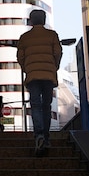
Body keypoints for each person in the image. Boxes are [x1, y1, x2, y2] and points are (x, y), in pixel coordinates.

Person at [17, 8, 62, 155]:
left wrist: (27, 69)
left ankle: (39, 135)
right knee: (46, 106)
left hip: (33, 76)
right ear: (44, 20)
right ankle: (46, 137)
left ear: (31, 21)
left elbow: (20, 57)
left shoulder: (24, 38)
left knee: (35, 105)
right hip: (48, 76)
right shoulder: (52, 35)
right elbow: (57, 53)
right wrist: (53, 67)